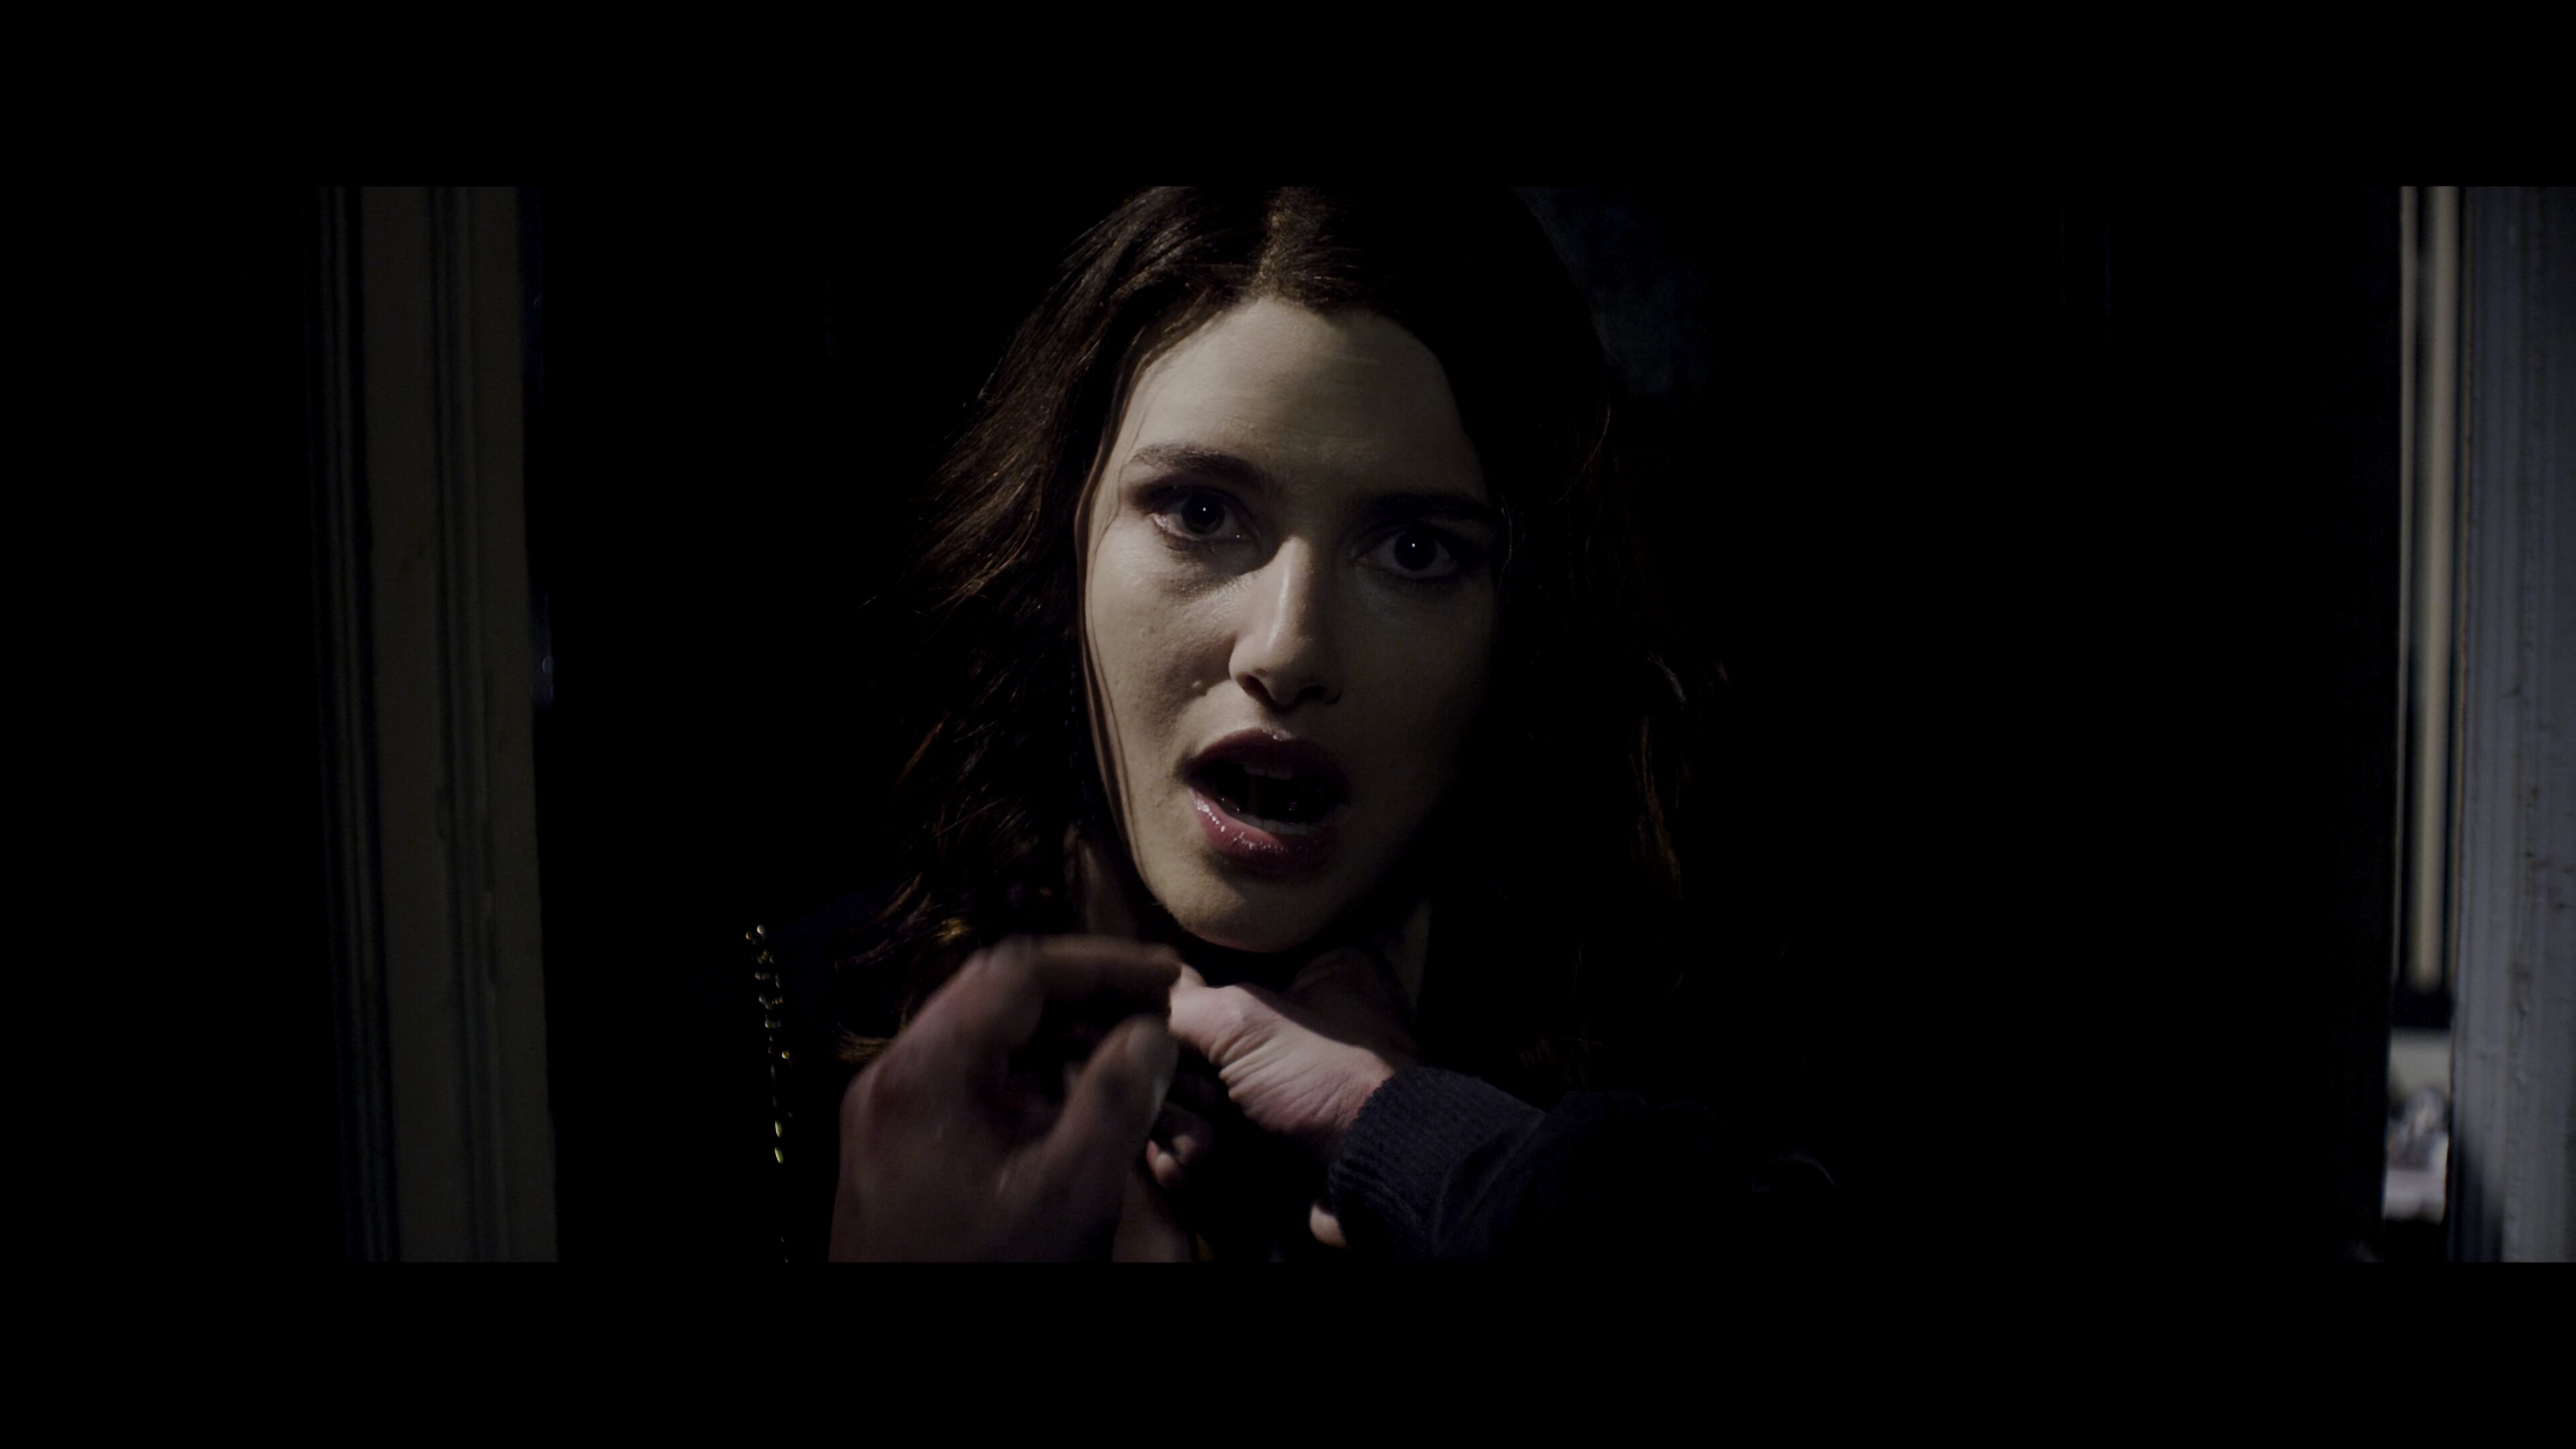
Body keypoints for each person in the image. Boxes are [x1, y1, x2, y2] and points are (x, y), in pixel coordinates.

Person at [778, 188, 1833, 1260]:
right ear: (1063, 547)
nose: (1286, 650)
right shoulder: (776, 1036)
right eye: (1199, 512)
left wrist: (1416, 1143)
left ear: (1523, 626)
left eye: (1415, 551)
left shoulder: (1721, 1088)